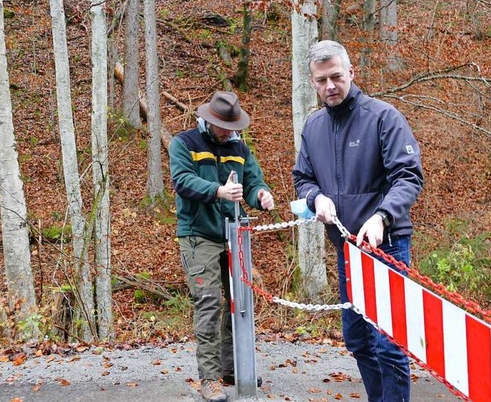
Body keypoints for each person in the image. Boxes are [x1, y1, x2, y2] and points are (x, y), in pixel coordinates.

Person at [292, 40, 424, 402]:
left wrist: (383, 216)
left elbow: (408, 176)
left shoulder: (383, 117)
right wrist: (315, 198)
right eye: (321, 80)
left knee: (388, 343)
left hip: (387, 244)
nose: (330, 86)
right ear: (313, 82)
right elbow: (303, 178)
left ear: (351, 73)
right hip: (346, 248)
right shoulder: (313, 126)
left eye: (336, 76)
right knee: (358, 340)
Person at [170, 91, 274, 402]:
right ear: (209, 121)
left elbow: (254, 182)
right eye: (223, 127)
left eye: (232, 126)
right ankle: (210, 379)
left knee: (239, 301)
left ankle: (232, 368)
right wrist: (218, 191)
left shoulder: (239, 147)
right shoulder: (184, 143)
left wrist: (261, 196)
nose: (229, 132)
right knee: (209, 303)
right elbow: (183, 181)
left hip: (233, 234)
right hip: (197, 235)